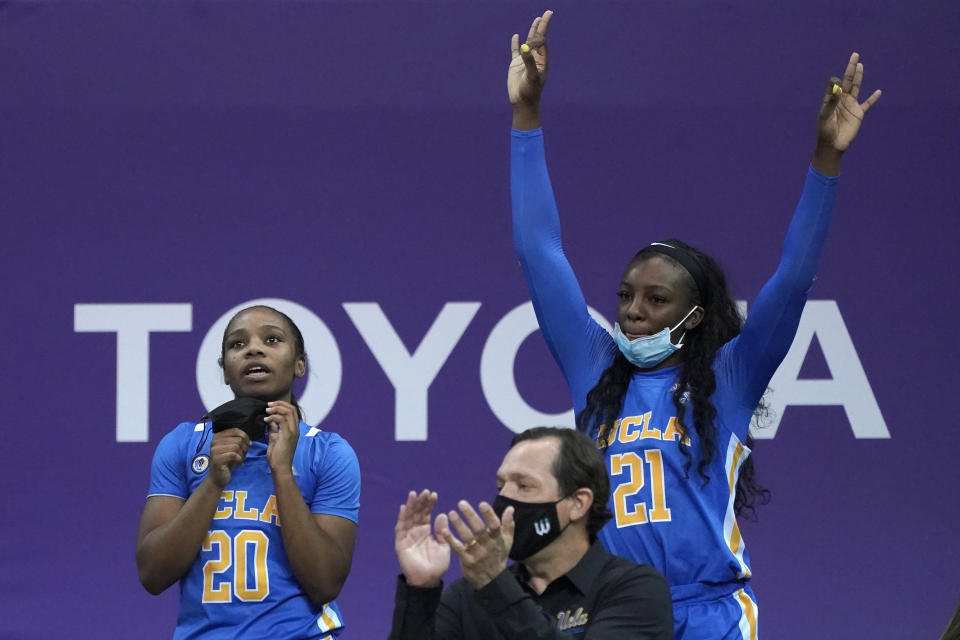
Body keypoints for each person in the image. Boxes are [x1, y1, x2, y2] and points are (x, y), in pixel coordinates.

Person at [507, 10, 881, 639]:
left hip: (711, 614)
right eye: (626, 295)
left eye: (656, 300)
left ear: (695, 315)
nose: (632, 310)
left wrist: (825, 159)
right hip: (611, 613)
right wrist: (526, 114)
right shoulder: (594, 367)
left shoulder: (730, 378)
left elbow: (792, 280)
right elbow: (538, 250)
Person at [136, 305, 361, 639]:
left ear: (300, 364)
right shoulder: (182, 445)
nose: (254, 349)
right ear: (225, 370)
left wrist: (282, 472)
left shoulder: (329, 453)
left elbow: (325, 583)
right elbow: (153, 574)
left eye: (272, 339)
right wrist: (213, 482)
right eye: (237, 344)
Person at [389, 426, 673, 639]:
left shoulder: (634, 590)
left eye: (524, 486)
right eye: (501, 487)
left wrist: (496, 586)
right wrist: (421, 590)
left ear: (578, 503)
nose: (504, 502)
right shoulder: (467, 596)